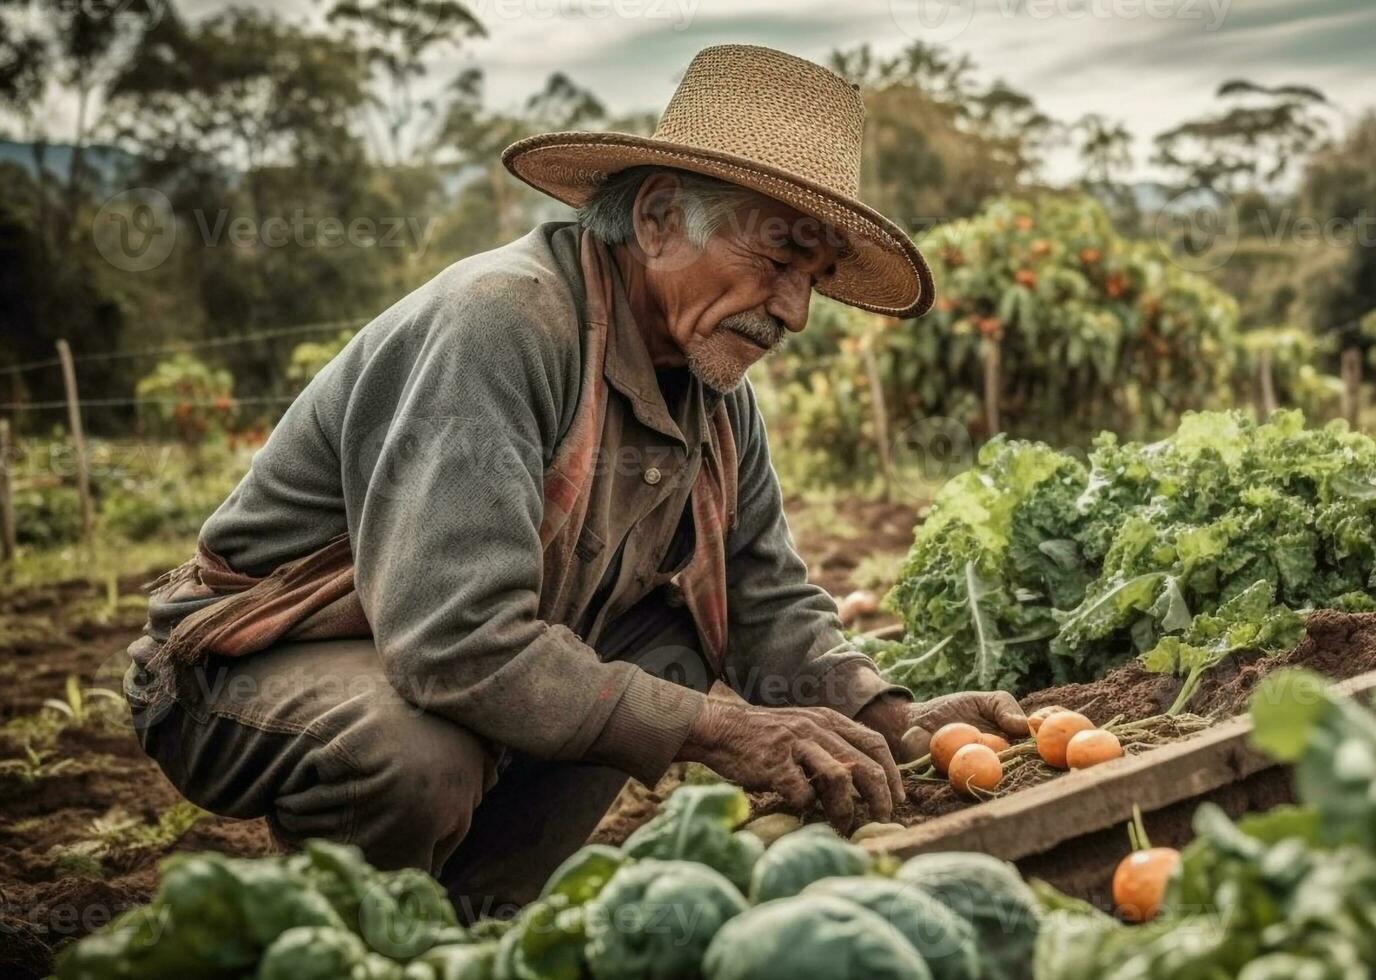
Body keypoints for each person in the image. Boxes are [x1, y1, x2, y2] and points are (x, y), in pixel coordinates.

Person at [123, 44, 1028, 914]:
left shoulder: (712, 386)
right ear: (659, 217)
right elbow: (454, 641)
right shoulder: (503, 323)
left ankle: (482, 913)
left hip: (436, 658)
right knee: (409, 757)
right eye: (781, 259)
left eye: (815, 278)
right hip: (247, 668)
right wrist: (722, 731)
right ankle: (360, 935)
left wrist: (894, 718)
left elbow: (764, 596)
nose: (795, 310)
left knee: (671, 644)